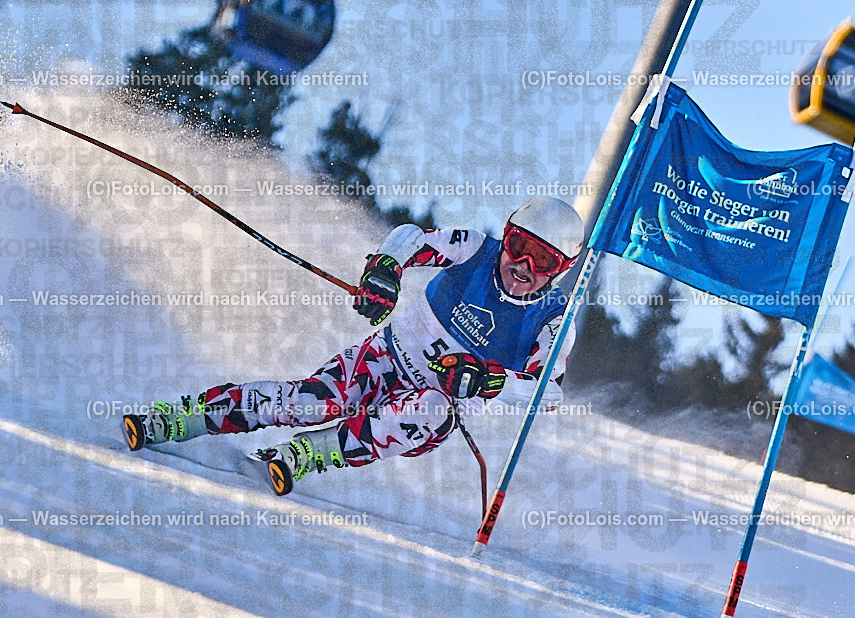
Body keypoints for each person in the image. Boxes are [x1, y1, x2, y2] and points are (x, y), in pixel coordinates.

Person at [122, 196, 584, 495]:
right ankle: (183, 417)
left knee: (431, 408)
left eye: (542, 259)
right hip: (385, 359)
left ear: (560, 268)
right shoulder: (477, 251)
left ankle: (305, 456)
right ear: (506, 235)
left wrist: (489, 380)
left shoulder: (553, 319)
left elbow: (549, 393)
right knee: (310, 402)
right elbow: (413, 239)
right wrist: (386, 269)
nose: (523, 264)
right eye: (519, 244)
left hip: (431, 410)